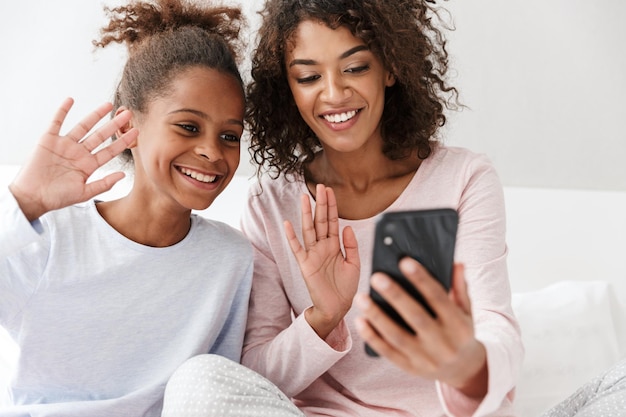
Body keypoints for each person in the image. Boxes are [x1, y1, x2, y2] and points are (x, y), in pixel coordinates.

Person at [162, 0, 523, 416]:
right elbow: (258, 377)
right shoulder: (272, 202)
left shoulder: (462, 179)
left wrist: (466, 362)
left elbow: (498, 326)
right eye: (309, 76)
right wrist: (323, 316)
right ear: (289, 88)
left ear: (391, 67)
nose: (333, 94)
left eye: (355, 68)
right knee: (199, 379)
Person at [0, 0, 253, 416]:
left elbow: (218, 390)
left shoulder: (231, 259)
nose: (212, 151)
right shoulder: (54, 237)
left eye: (230, 135)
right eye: (188, 127)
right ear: (128, 126)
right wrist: (24, 202)